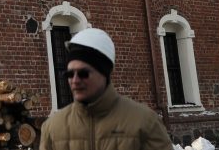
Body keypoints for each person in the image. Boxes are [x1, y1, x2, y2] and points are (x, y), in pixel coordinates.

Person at [40, 28, 171, 150]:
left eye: (83, 73)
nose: (75, 81)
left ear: (104, 73)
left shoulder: (144, 122)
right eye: (69, 74)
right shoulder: (52, 128)